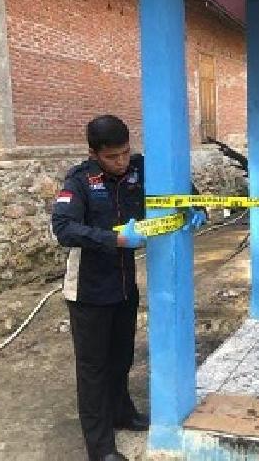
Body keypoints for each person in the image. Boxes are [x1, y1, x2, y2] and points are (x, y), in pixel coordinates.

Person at [52, 115, 205, 461]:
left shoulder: (139, 168)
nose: (121, 162)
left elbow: (180, 185)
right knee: (93, 370)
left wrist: (196, 206)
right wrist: (115, 239)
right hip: (88, 291)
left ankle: (122, 412)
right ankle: (101, 448)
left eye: (125, 152)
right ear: (94, 154)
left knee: (121, 358)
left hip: (123, 285)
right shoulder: (79, 181)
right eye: (112, 157)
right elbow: (63, 228)